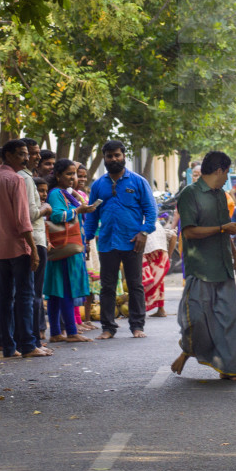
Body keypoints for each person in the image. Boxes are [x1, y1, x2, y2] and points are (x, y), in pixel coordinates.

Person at [171, 151, 236, 380]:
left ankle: (230, 369)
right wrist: (223, 229)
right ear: (219, 170)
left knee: (230, 321)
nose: (227, 179)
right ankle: (188, 349)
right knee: (197, 321)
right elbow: (190, 232)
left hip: (223, 266)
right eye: (227, 173)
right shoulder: (189, 194)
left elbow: (226, 229)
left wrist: (235, 256)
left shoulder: (221, 195)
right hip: (201, 269)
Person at [0, 138, 50, 359]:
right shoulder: (17, 180)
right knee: (25, 296)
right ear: (8, 155)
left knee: (3, 297)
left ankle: (9, 346)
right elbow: (23, 220)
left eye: (26, 154)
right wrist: (33, 249)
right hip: (17, 247)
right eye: (21, 154)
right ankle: (28, 345)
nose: (26, 158)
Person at [83, 140, 157, 341]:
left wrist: (143, 232)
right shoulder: (98, 185)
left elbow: (151, 211)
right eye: (109, 156)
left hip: (133, 241)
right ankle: (108, 327)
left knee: (134, 284)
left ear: (124, 156)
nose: (114, 159)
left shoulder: (138, 181)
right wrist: (86, 240)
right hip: (107, 241)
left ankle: (137, 326)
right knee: (107, 286)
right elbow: (91, 215)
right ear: (104, 158)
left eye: (117, 155)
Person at [44, 159, 96, 342]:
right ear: (58, 176)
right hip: (65, 249)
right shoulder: (57, 193)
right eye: (68, 174)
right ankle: (71, 332)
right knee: (65, 289)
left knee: (57, 292)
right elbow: (57, 215)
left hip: (66, 248)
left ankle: (56, 333)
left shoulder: (66, 194)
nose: (73, 178)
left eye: (74, 174)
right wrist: (78, 210)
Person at [22, 140, 49, 345]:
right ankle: (33, 340)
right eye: (33, 153)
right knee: (32, 294)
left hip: (34, 241)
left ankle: (30, 338)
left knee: (27, 293)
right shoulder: (24, 179)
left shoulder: (26, 178)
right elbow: (29, 216)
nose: (37, 157)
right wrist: (46, 209)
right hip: (32, 242)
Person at [142, 214, 178, 317]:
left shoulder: (139, 223)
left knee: (146, 283)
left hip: (150, 255)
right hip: (162, 256)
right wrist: (169, 256)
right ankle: (161, 310)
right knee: (159, 283)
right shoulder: (156, 223)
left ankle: (139, 310)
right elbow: (173, 236)